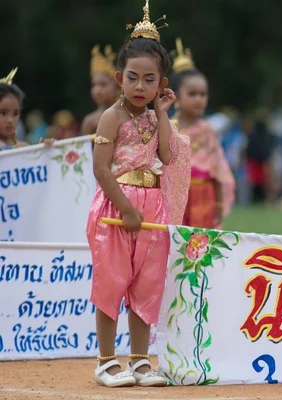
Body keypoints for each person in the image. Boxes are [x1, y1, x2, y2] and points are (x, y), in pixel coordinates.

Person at [86, 0, 190, 387]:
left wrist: (163, 113)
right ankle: (106, 360)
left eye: (150, 80)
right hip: (118, 205)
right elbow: (100, 168)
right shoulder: (111, 117)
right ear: (119, 77)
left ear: (162, 84)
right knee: (112, 279)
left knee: (147, 283)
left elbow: (165, 155)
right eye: (133, 78)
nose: (140, 86)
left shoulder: (152, 115)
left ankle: (140, 360)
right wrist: (126, 207)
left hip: (152, 207)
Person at [170, 38, 235, 229]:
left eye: (203, 94)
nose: (199, 99)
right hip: (175, 195)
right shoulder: (167, 127)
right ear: (176, 96)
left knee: (202, 245)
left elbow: (217, 168)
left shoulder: (206, 130)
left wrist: (220, 203)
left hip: (204, 195)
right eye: (192, 94)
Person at [0, 68, 53, 149]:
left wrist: (42, 153)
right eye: (3, 113)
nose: (10, 120)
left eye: (15, 114)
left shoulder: (24, 148)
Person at [81, 45, 121, 135]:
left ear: (117, 86)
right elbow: (84, 149)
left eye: (103, 84)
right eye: (94, 85)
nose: (97, 90)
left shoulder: (128, 115)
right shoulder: (90, 121)